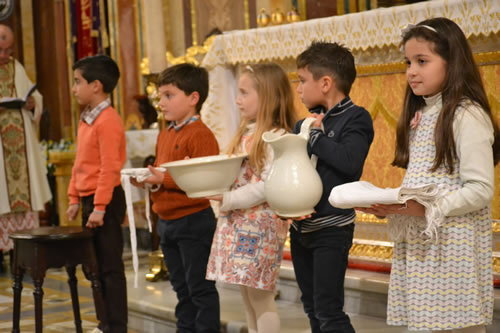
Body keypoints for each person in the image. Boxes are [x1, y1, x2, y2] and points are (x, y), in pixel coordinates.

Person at [358, 18, 500, 333]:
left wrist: (425, 207)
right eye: (408, 62)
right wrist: (393, 205)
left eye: (422, 61)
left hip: (452, 249)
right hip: (424, 247)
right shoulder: (422, 114)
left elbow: (479, 189)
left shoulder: (467, 115)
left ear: (453, 63)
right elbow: (424, 182)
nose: (411, 71)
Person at [206, 63, 298, 333]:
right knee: (247, 298)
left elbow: (268, 186)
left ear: (268, 95)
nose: (238, 99)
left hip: (260, 228)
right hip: (238, 224)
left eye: (245, 93)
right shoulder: (245, 132)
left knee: (261, 298)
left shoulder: (276, 137)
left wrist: (229, 199)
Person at [291, 41, 374, 333]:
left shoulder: (356, 117)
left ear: (325, 83)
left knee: (329, 311)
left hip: (332, 228)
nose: (298, 88)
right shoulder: (303, 123)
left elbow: (350, 161)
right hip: (301, 227)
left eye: (302, 81)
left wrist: (314, 137)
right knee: (312, 307)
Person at [134, 63, 221, 332]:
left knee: (200, 290)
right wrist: (151, 183)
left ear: (193, 98)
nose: (161, 103)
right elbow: (162, 173)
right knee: (181, 289)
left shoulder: (201, 135)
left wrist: (164, 180)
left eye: (169, 95)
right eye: (160, 96)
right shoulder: (166, 134)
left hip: (193, 221)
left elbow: (206, 181)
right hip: (168, 221)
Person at [66, 55, 127, 333]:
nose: (74, 88)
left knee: (110, 268)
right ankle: (105, 323)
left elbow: (109, 168)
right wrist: (75, 198)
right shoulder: (88, 119)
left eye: (78, 82)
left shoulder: (108, 120)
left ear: (97, 86)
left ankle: (116, 326)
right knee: (95, 268)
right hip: (92, 199)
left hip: (107, 200)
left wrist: (100, 207)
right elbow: (81, 162)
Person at [0, 24, 52, 267]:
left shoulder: (16, 67)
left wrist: (33, 104)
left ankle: (22, 255)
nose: (5, 56)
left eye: (8, 50)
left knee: (23, 198)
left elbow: (36, 95)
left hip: (20, 141)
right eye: (1, 50)